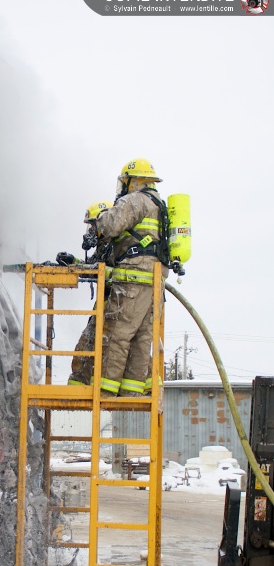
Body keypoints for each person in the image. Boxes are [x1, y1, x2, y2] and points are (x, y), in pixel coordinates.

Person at [92, 158, 168, 397]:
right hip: (154, 282)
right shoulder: (160, 205)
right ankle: (131, 391)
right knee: (142, 338)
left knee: (118, 333)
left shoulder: (135, 200)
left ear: (133, 181)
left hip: (133, 279)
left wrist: (100, 217)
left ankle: (105, 390)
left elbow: (110, 225)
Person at [66, 200, 113, 387]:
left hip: (113, 306)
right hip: (105, 304)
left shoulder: (116, 246)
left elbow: (106, 271)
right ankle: (78, 388)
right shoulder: (104, 247)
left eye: (93, 226)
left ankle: (82, 388)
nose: (90, 231)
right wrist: (73, 261)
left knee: (90, 349)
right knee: (85, 349)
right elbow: (91, 267)